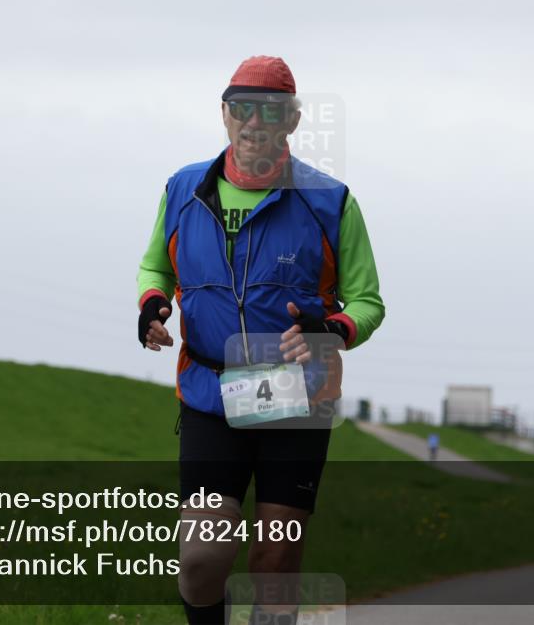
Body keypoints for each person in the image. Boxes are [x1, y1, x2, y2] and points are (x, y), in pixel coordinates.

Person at [136, 56, 385, 625]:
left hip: (298, 399)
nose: (254, 122)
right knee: (201, 557)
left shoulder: (331, 202)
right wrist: (152, 304)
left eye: (270, 111)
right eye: (242, 108)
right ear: (224, 114)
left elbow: (368, 302)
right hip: (209, 393)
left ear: (292, 121)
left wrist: (335, 329)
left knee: (275, 562)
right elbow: (155, 268)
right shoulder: (183, 189)